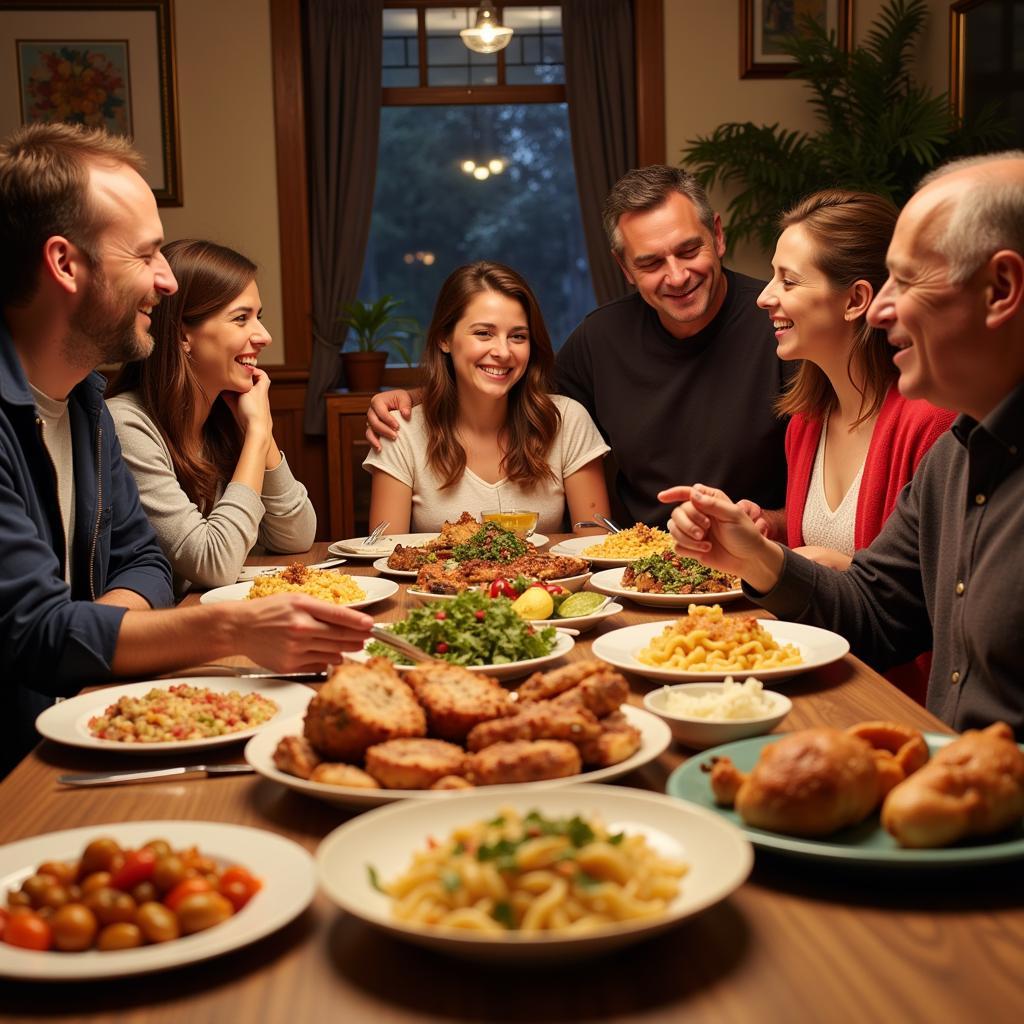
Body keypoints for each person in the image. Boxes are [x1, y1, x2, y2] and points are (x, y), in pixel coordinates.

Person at [0, 122, 372, 775]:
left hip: (86, 718)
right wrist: (229, 629)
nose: (167, 281)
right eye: (146, 255)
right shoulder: (102, 413)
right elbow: (34, 632)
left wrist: (88, 627)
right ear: (64, 263)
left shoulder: (83, 402)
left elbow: (142, 560)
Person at [661, 152, 1024, 737]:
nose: (883, 309)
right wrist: (755, 553)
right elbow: (878, 610)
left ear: (1002, 288)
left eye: (907, 281)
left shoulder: (937, 430)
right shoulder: (958, 455)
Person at [365, 166, 790, 529]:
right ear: (625, 267)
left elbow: (840, 498)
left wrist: (770, 522)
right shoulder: (600, 338)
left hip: (759, 556)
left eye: (688, 250)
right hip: (641, 569)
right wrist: (418, 398)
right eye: (650, 263)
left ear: (716, 235)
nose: (677, 276)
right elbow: (512, 386)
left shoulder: (780, 325)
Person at [755, 190, 955, 703]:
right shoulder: (805, 423)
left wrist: (849, 573)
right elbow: (821, 540)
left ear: (855, 300)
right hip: (818, 682)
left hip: (899, 701)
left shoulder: (932, 421)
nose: (764, 296)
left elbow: (950, 601)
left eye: (788, 280)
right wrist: (765, 529)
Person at [107, 239, 316, 596]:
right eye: (241, 319)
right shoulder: (126, 424)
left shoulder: (223, 417)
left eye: (258, 317)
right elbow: (213, 562)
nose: (263, 336)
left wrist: (260, 435)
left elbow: (296, 537)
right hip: (170, 637)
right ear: (182, 335)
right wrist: (257, 433)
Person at [363, 261, 611, 533]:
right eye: (483, 333)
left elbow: (594, 546)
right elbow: (385, 556)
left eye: (518, 336)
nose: (503, 352)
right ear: (444, 339)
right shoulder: (401, 430)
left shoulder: (567, 420)